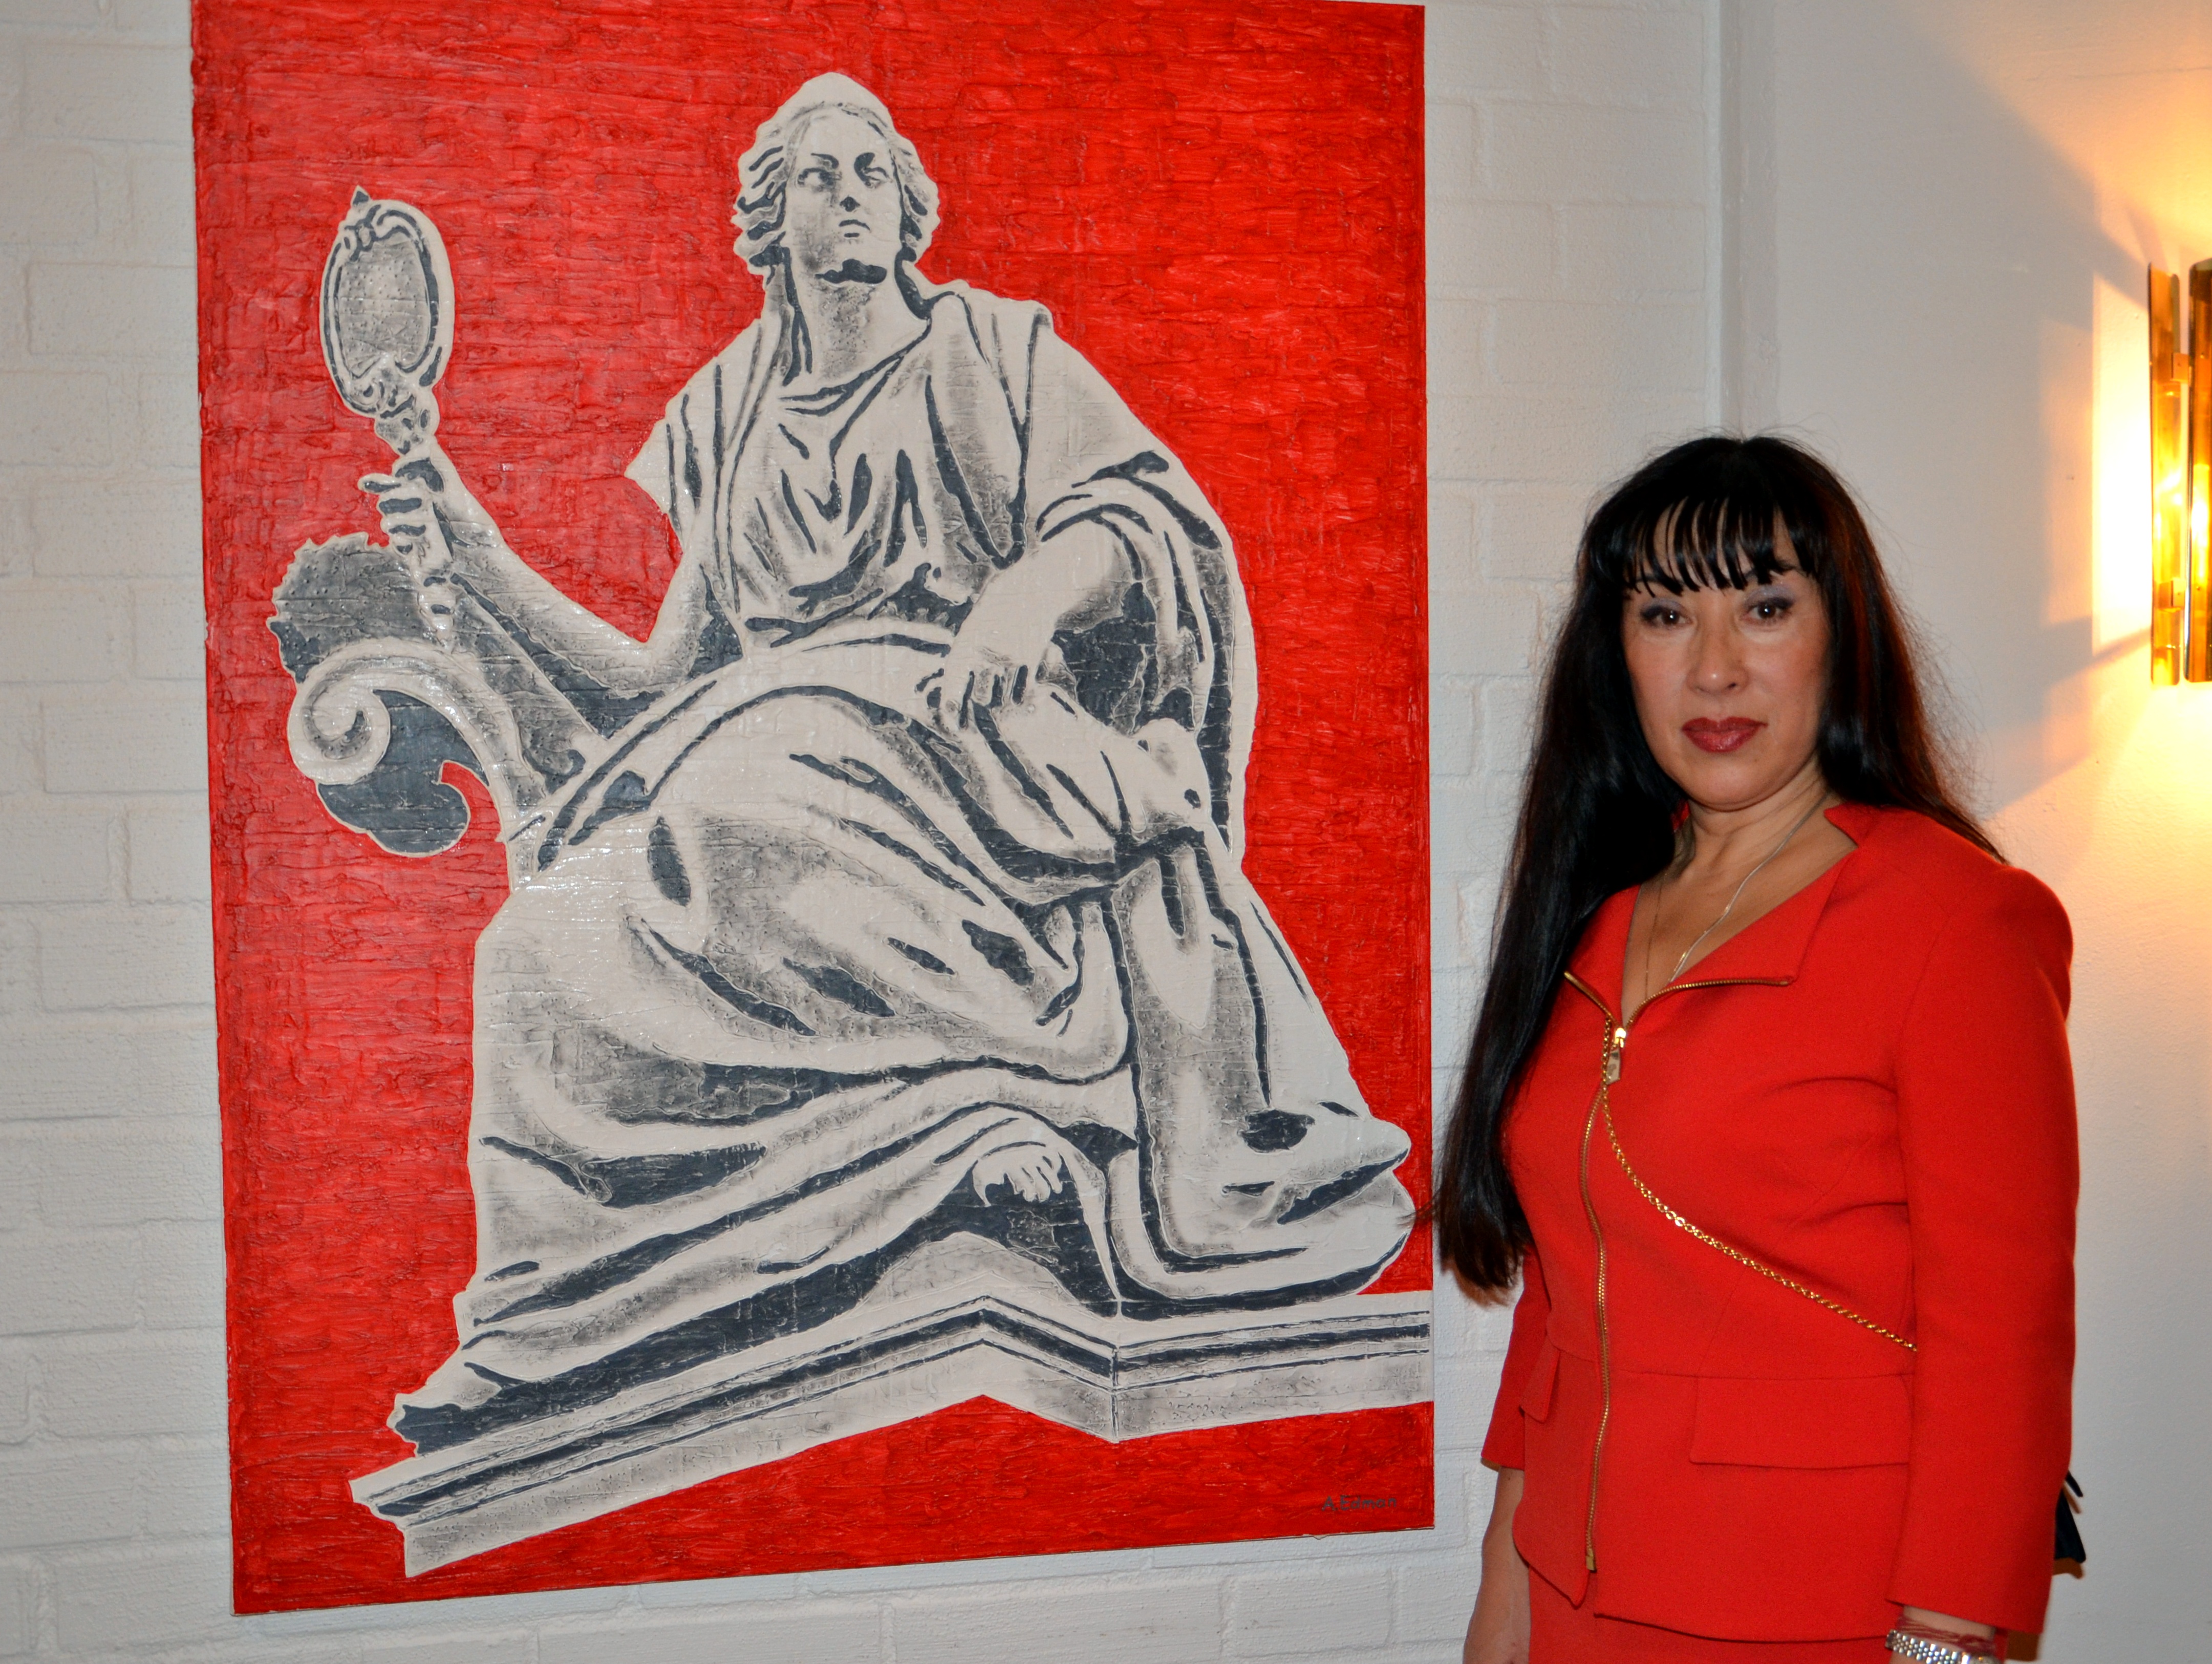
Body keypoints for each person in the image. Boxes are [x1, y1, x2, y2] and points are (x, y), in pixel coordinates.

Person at [350, 73, 1414, 1449]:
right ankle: (560, 1309)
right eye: (818, 177)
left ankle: (972, 1114)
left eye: (870, 175)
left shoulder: (989, 349)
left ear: (907, 210)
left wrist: (1023, 600)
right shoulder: (733, 406)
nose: (848, 198)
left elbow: (1133, 524)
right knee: (533, 946)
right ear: (771, 220)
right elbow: (661, 679)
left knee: (741, 806)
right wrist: (481, 552)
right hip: (763, 737)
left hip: (957, 727)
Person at [1437, 436, 2076, 1662]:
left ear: (1841, 636)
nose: (1714, 665)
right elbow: (1566, 1292)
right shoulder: (1598, 910)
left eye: (1766, 607)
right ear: (1615, 652)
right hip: (1574, 1591)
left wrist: (1945, 1642)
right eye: (1664, 613)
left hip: (1818, 1604)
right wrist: (1504, 1588)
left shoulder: (1955, 920)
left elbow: (2002, 1336)